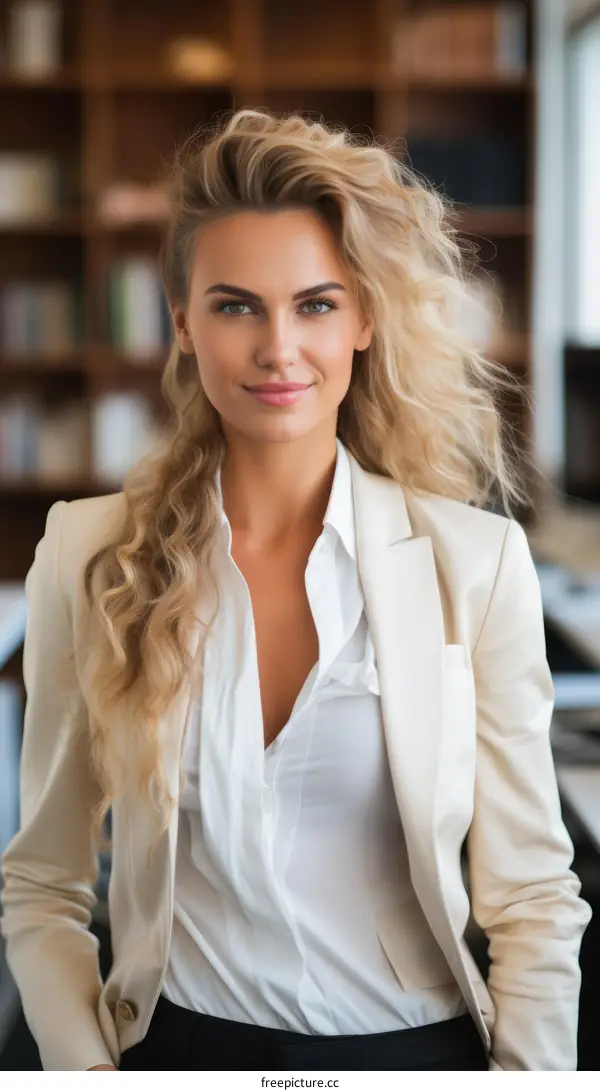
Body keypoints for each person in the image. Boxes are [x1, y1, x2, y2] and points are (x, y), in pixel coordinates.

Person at [0, 108, 591, 1073]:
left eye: (315, 304)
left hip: (411, 1049)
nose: (279, 348)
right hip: (176, 1046)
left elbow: (531, 897)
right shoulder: (86, 553)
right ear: (183, 324)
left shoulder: (475, 563)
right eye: (237, 306)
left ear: (363, 319)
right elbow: (43, 881)